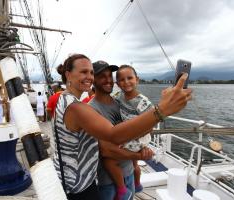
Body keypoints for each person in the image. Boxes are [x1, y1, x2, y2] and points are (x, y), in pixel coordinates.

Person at [53, 54, 192, 200]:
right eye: (83, 72)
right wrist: (163, 109)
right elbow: (113, 136)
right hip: (77, 184)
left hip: (87, 177)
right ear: (68, 75)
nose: (89, 76)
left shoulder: (68, 99)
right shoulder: (77, 107)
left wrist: (141, 143)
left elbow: (133, 128)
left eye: (91, 73)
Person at [89, 61, 154, 200]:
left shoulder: (118, 101)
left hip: (128, 171)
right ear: (92, 80)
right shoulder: (91, 110)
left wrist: (141, 146)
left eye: (109, 76)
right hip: (108, 181)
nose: (108, 80)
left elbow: (145, 124)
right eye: (101, 76)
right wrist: (139, 156)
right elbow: (106, 150)